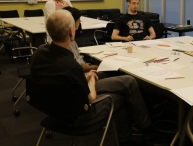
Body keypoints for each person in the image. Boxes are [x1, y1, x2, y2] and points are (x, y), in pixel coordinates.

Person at [30, 10, 152, 146]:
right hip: (79, 115)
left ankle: (129, 136)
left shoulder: (40, 52)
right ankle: (143, 130)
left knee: (113, 77)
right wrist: (91, 79)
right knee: (125, 89)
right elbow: (91, 98)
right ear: (71, 32)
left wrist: (85, 77)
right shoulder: (71, 65)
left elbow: (58, 77)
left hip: (51, 106)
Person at [63, 6, 98, 72]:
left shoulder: (69, 39)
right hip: (81, 75)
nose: (80, 21)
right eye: (79, 20)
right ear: (73, 22)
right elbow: (78, 66)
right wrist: (94, 68)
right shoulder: (67, 42)